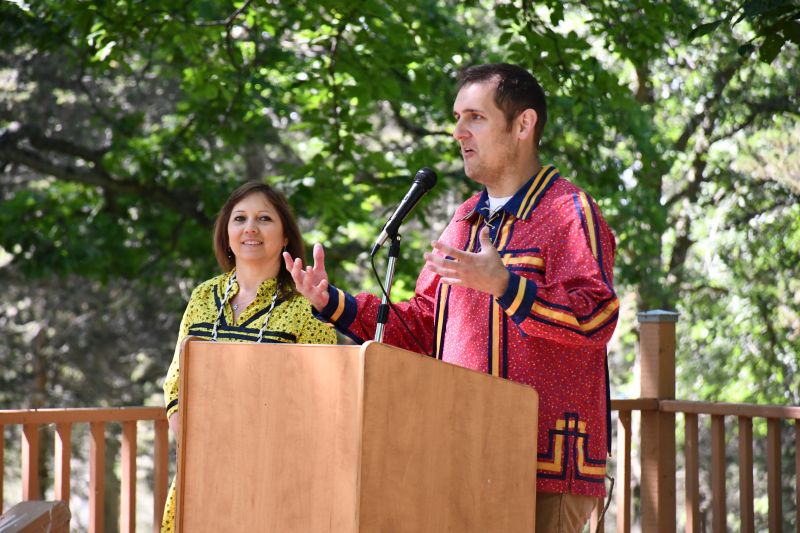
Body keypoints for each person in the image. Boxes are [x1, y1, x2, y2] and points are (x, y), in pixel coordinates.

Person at [284, 63, 618, 532]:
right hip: (462, 455)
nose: (459, 131)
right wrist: (335, 304)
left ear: (523, 124)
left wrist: (506, 286)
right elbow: (425, 326)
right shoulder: (464, 220)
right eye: (458, 118)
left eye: (475, 118)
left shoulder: (569, 210)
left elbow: (596, 316)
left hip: (543, 466)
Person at [160, 182, 336, 533]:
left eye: (265, 219)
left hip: (275, 477)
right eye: (239, 218)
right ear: (227, 234)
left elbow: (324, 399)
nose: (250, 228)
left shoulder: (307, 304)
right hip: (202, 468)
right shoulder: (202, 296)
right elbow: (177, 381)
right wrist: (195, 443)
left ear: (285, 236)